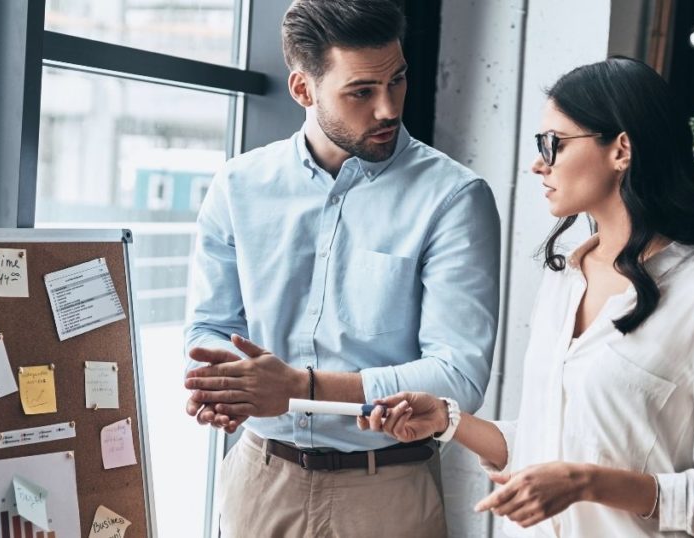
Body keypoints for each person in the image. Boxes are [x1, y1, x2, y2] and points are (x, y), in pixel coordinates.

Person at [363, 57, 694, 537]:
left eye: (552, 144)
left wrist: (587, 482)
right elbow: (546, 444)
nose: (538, 163)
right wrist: (447, 421)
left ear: (622, 149)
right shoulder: (564, 278)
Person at [182, 0, 501, 536]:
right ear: (303, 89)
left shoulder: (454, 198)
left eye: (397, 81)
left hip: (388, 491)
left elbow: (457, 377)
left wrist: (296, 386)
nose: (388, 109)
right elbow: (210, 325)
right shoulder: (237, 187)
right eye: (361, 92)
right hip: (260, 480)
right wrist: (225, 385)